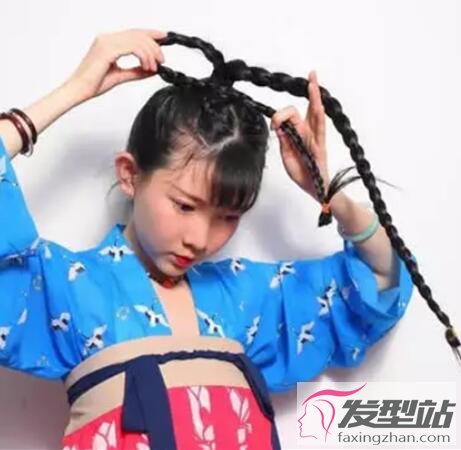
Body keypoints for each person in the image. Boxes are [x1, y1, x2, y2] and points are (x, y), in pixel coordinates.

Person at [0, 27, 439, 450]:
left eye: (228, 217)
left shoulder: (245, 299)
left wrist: (330, 195)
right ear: (130, 175)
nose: (200, 239)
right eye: (184, 205)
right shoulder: (71, 288)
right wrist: (76, 88)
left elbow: (381, 278)